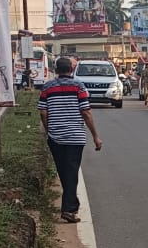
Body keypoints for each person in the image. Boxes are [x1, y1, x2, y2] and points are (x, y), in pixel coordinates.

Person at [38, 57, 103, 223]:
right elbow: (86, 112)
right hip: (75, 137)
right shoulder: (78, 86)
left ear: (56, 70)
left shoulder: (47, 87)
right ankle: (68, 208)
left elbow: (43, 112)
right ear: (71, 70)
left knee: (63, 170)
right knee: (71, 171)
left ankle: (70, 205)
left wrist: (48, 129)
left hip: (55, 137)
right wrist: (95, 135)